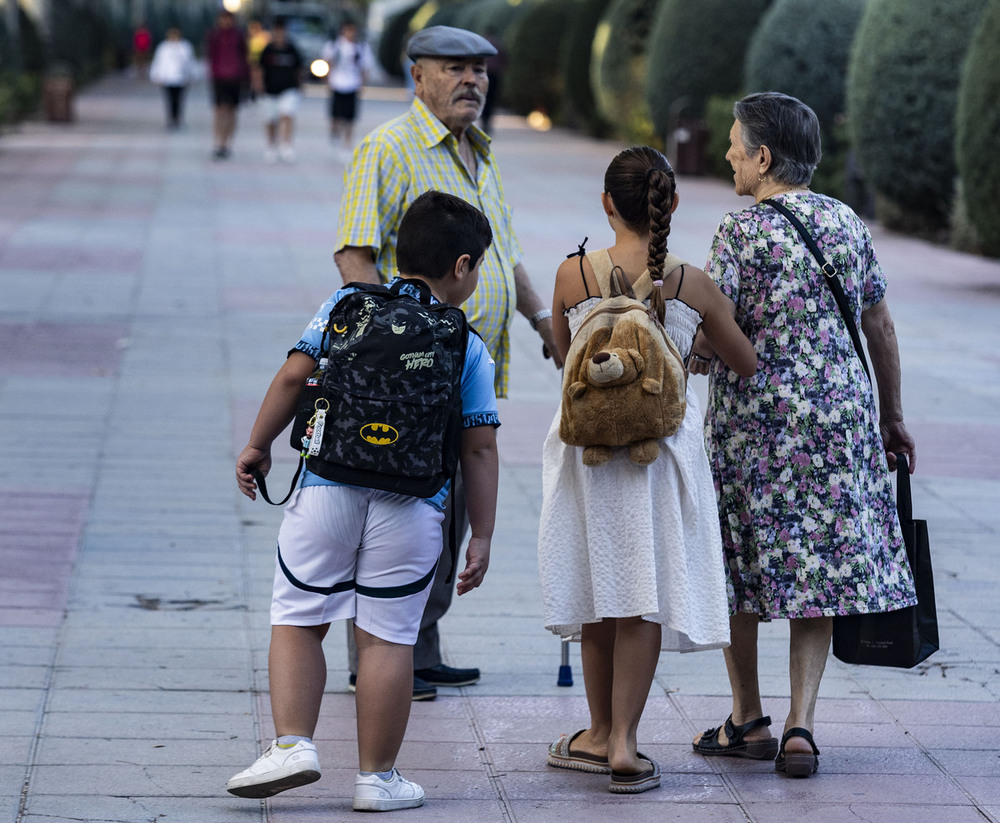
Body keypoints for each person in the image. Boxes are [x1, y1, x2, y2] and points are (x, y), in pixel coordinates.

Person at [226, 190, 500, 811]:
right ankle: (377, 779)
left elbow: (295, 375)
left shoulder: (346, 305)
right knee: (387, 637)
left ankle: (293, 744)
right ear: (461, 267)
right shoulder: (467, 345)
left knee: (300, 617)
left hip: (328, 487)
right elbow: (479, 450)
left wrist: (257, 445)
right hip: (414, 505)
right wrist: (480, 533)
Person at [689, 92, 917, 777]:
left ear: (763, 156)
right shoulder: (847, 222)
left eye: (736, 144)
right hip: (838, 418)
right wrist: (891, 415)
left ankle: (747, 715)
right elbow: (879, 324)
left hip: (754, 423)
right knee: (813, 568)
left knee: (741, 562)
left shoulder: (741, 230)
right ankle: (801, 724)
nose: (729, 153)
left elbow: (714, 327)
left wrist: (684, 357)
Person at [334, 25, 561, 700]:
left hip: (469, 373)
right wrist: (396, 340)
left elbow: (504, 255)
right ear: (418, 77)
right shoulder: (388, 148)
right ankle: (376, 654)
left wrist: (543, 320)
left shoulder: (480, 154)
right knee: (401, 511)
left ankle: (420, 646)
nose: (473, 82)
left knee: (451, 513)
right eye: (456, 68)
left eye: (481, 71)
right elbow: (355, 253)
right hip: (410, 378)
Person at [537, 146, 757, 794]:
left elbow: (561, 350)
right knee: (642, 595)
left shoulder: (572, 273)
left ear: (607, 203)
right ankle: (628, 742)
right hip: (661, 456)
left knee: (601, 589)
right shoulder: (691, 282)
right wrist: (689, 351)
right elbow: (743, 360)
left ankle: (599, 732)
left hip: (588, 453)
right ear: (673, 205)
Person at [321, 20, 374, 161]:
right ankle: (334, 137)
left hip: (352, 85)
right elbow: (327, 63)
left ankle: (347, 145)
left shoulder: (362, 47)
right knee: (335, 117)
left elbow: (365, 67)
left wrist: (362, 84)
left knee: (350, 119)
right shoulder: (334, 45)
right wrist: (327, 81)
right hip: (337, 84)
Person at [256, 17, 304, 163]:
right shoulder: (268, 50)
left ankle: (286, 145)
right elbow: (259, 69)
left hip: (289, 89)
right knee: (270, 120)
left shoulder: (292, 49)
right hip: (270, 90)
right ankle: (271, 145)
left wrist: (299, 86)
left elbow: (299, 69)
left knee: (287, 115)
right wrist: (258, 85)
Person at [206, 9, 249, 160]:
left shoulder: (238, 35)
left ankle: (228, 142)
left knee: (232, 111)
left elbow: (244, 56)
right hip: (219, 77)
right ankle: (219, 142)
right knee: (220, 110)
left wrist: (246, 77)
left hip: (235, 77)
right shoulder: (214, 35)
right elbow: (210, 55)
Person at [149, 27, 196, 130]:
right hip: (167, 79)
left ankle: (178, 118)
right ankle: (170, 118)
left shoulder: (185, 47)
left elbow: (189, 62)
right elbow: (159, 62)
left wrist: (191, 75)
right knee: (169, 100)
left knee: (179, 99)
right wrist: (156, 75)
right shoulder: (163, 47)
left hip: (181, 79)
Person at [480, 29, 506, 135]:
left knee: (483, 98)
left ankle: (484, 121)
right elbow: (505, 60)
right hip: (495, 75)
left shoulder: (480, 45)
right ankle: (488, 122)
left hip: (483, 74)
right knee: (491, 99)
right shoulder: (498, 45)